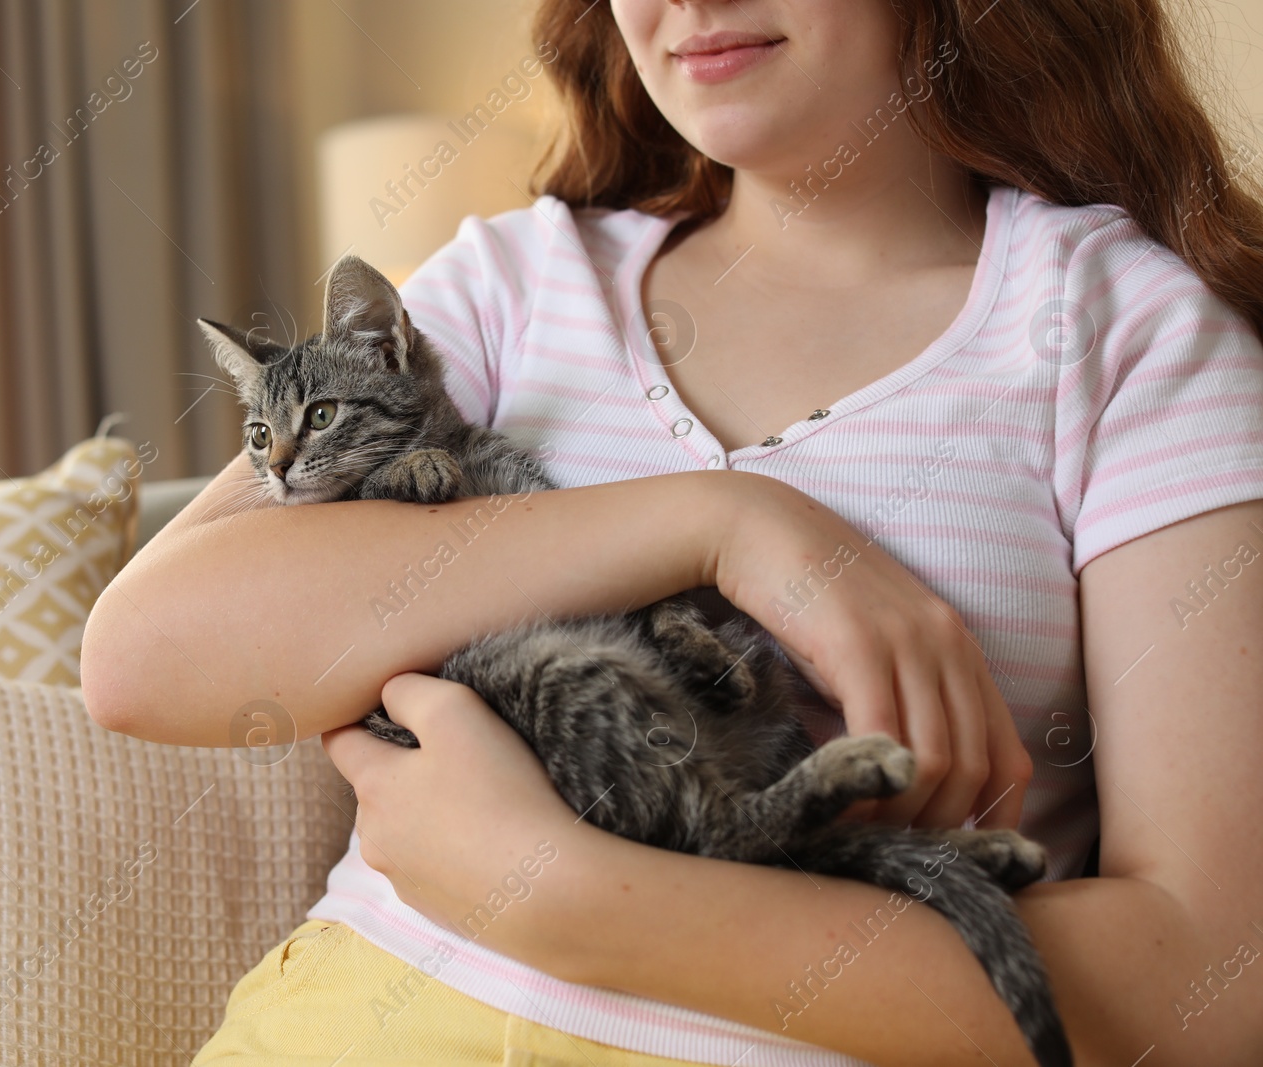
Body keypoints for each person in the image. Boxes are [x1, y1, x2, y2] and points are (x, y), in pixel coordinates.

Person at [79, 0, 1263, 1062]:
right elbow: (141, 660)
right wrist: (719, 521)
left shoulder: (1125, 330)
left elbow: (1215, 980)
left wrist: (566, 900)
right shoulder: (514, 281)